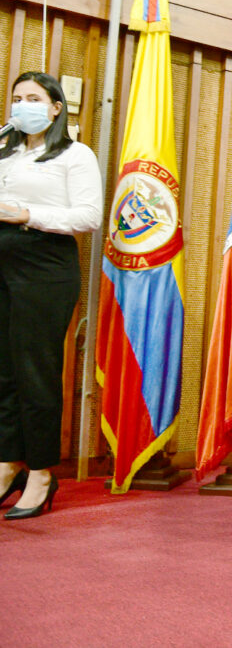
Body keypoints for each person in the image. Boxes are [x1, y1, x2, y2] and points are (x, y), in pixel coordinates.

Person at [0, 72, 102, 519]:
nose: (24, 106)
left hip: (44, 270)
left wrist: (25, 213)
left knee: (35, 372)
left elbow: (87, 216)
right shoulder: (4, 152)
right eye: (17, 98)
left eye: (34, 98)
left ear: (56, 107)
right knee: (3, 372)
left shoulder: (74, 155)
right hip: (2, 266)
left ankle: (41, 471)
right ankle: (7, 462)